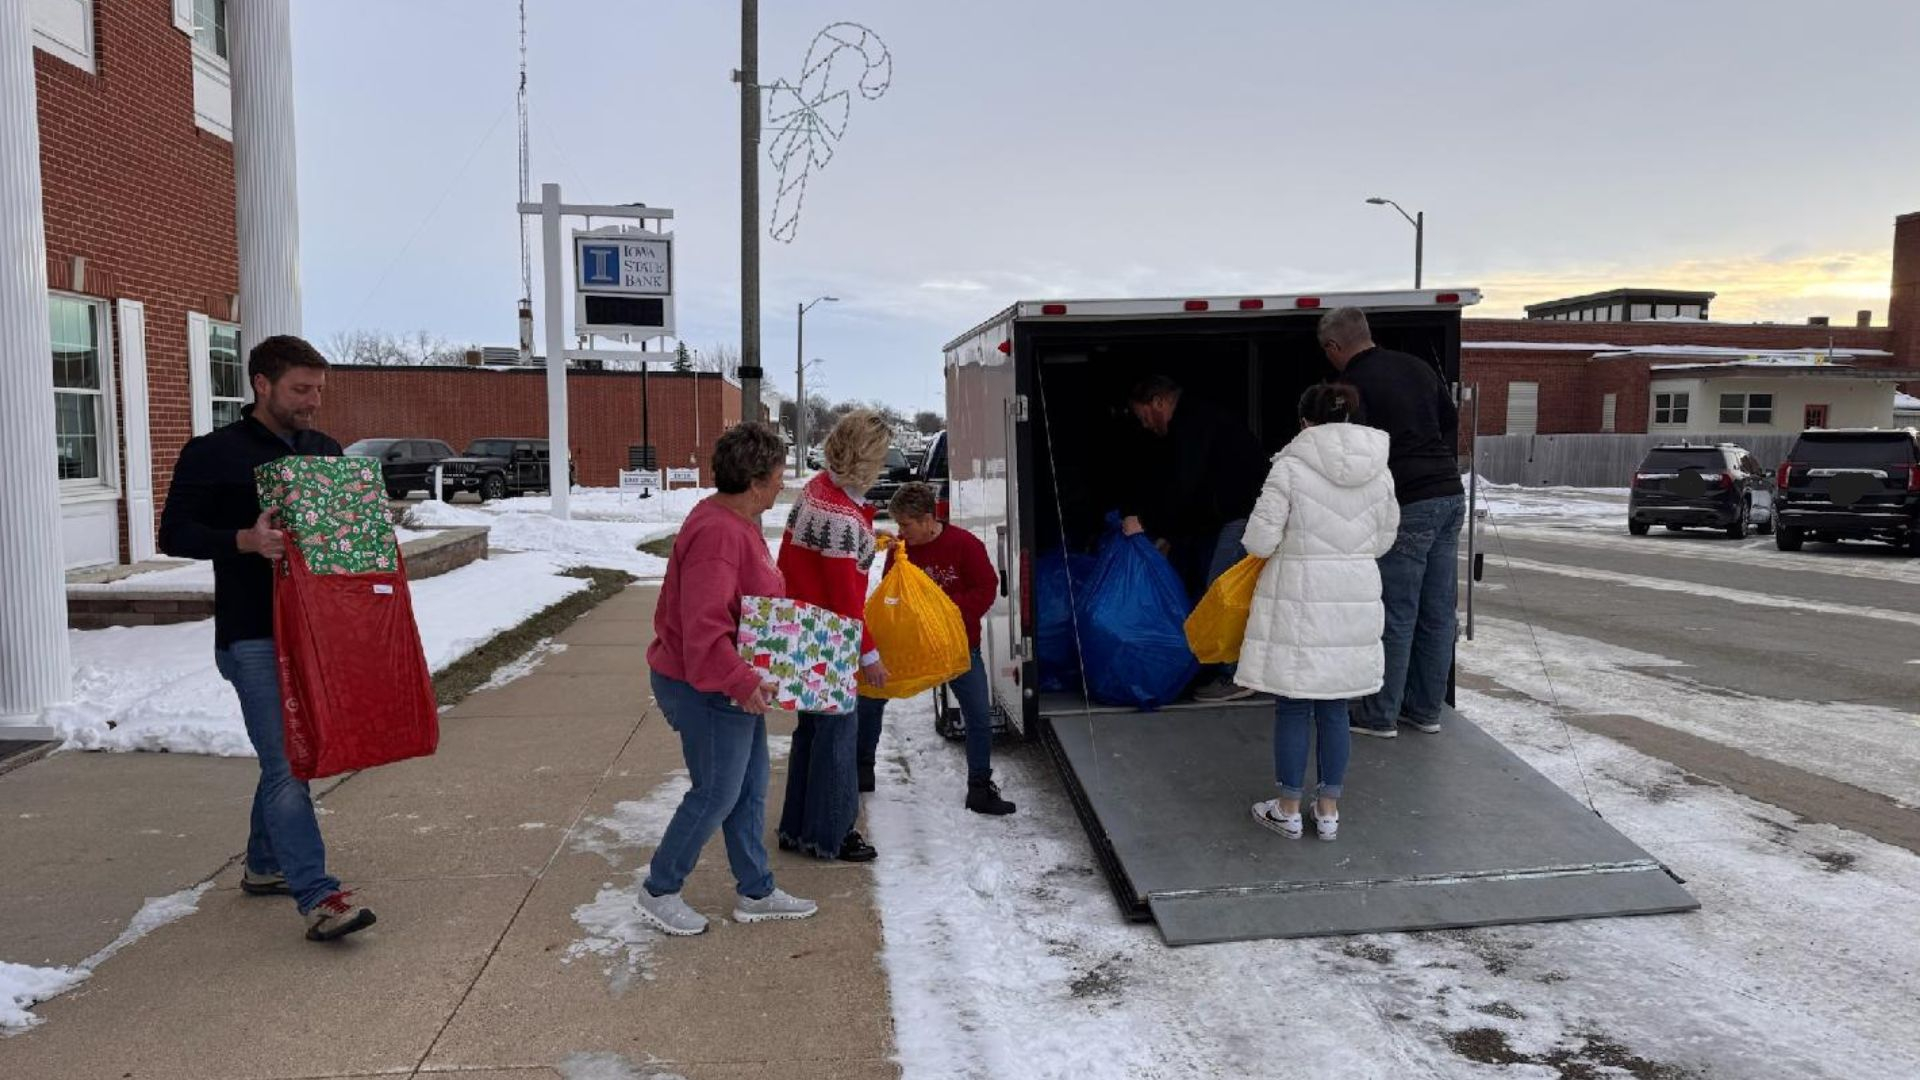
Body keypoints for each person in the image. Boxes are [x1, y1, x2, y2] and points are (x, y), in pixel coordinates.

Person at [156, 335, 374, 942]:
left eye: (319, 390)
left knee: (286, 759)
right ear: (262, 384)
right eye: (301, 390)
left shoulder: (324, 449)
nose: (313, 402)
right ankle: (319, 896)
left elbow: (338, 545)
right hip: (251, 633)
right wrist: (244, 542)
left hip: (313, 630)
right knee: (286, 761)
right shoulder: (212, 453)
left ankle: (263, 864)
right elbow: (173, 533)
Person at [632, 422, 818, 936]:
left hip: (729, 684)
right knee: (715, 792)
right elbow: (703, 628)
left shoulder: (740, 520)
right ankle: (659, 890)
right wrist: (740, 681)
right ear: (756, 479)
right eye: (780, 475)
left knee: (750, 787)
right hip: (704, 687)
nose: (784, 484)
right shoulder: (718, 533)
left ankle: (755, 890)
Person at [1237, 384, 1399, 841]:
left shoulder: (1289, 466)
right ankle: (1327, 812)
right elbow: (1385, 538)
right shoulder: (1379, 471)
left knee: (1292, 705)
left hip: (1300, 599)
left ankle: (1287, 808)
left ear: (1304, 421)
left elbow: (1259, 540)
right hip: (1354, 596)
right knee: (1335, 707)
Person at [1318, 307, 1467, 739]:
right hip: (1449, 495)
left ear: (1333, 347)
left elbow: (1351, 452)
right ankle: (1425, 710)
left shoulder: (1352, 386)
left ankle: (1379, 714)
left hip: (1410, 502)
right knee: (1437, 612)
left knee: (1396, 612)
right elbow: (1449, 420)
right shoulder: (1416, 366)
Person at [856, 483, 1016, 815]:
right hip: (911, 647)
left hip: (956, 646)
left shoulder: (964, 545)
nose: (901, 532)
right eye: (898, 525)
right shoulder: (901, 551)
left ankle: (979, 789)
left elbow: (987, 588)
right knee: (870, 696)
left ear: (929, 519)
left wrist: (943, 612)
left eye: (907, 525)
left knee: (978, 716)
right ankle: (862, 770)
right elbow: (892, 593)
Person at [776, 410, 892, 861]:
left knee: (810, 734)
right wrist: (869, 656)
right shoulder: (843, 517)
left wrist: (868, 536)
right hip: (831, 637)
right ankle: (833, 833)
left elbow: (813, 559)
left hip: (801, 629)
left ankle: (798, 826)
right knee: (838, 741)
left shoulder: (815, 493)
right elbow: (845, 600)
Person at [1119, 375, 1269, 703]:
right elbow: (1196, 493)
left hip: (1241, 516)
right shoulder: (1198, 419)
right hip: (1232, 515)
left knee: (1222, 591)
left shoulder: (1192, 424)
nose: (1145, 426)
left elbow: (1186, 486)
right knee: (1214, 588)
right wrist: (1170, 535)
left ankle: (1236, 674)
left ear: (1159, 402)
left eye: (1144, 416)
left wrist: (1146, 523)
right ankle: (1220, 666)